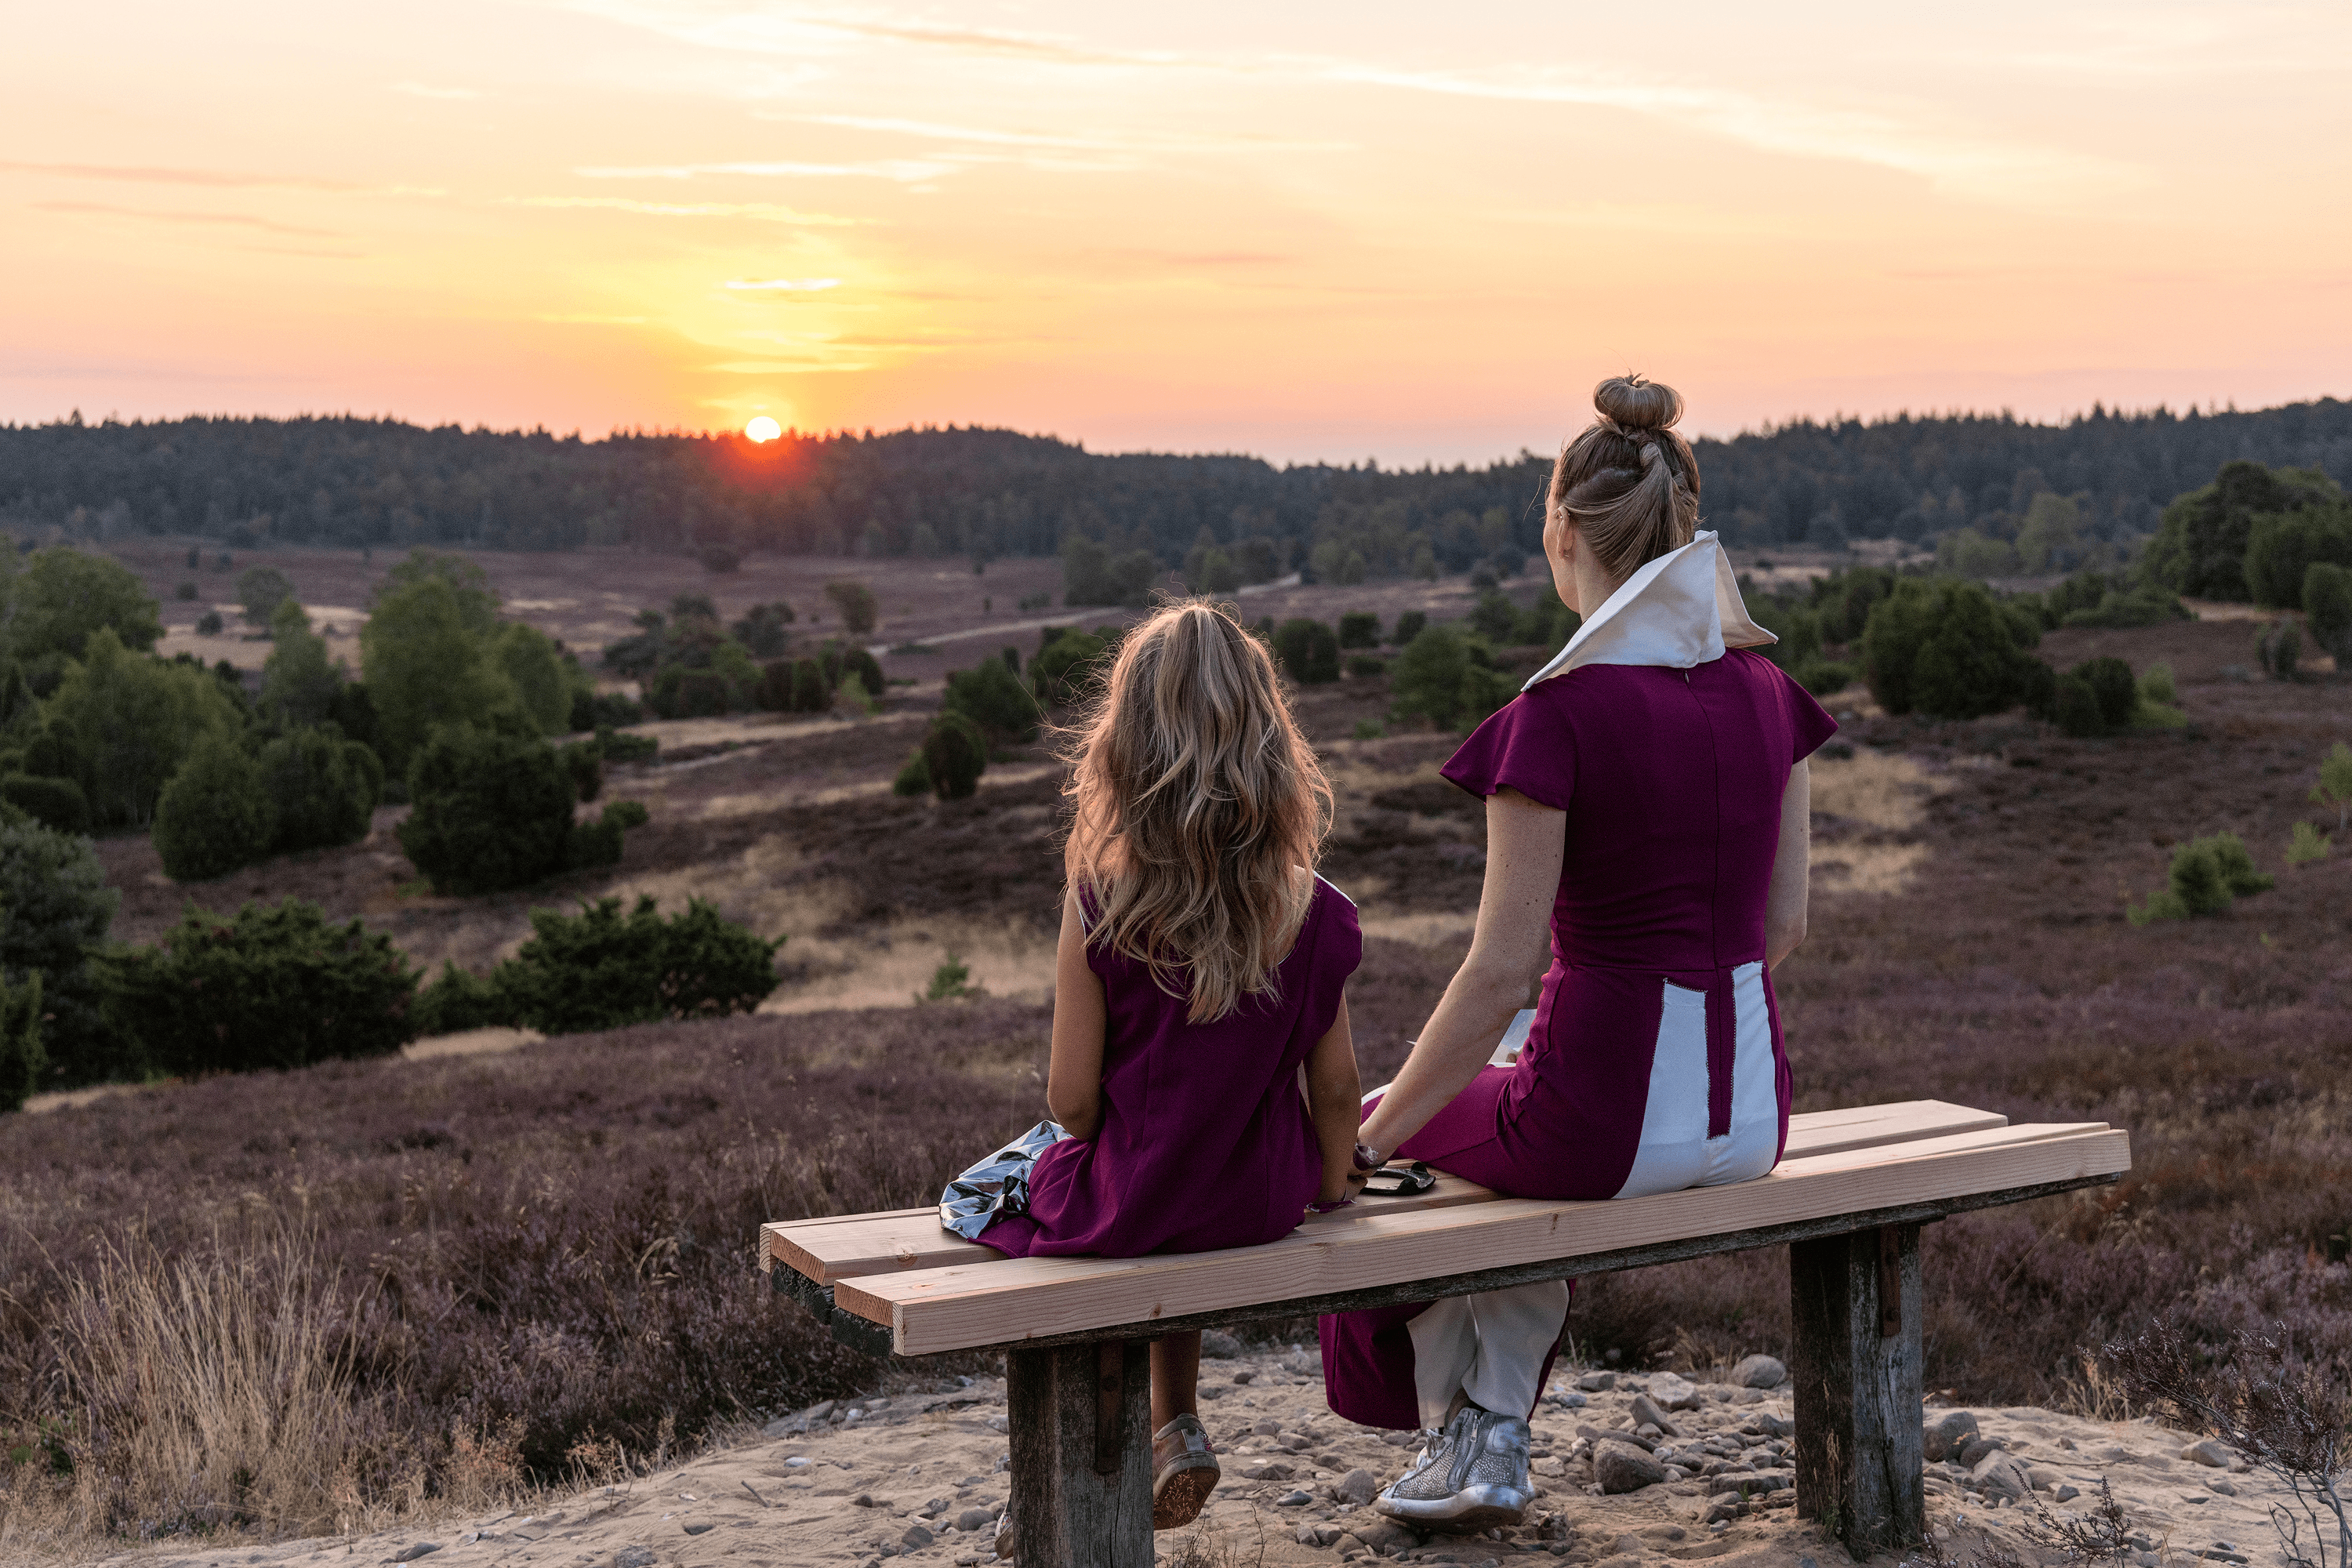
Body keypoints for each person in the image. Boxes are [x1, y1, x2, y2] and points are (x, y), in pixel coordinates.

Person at [1318, 375, 1836, 1533]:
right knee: (1495, 1094)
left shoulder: (1555, 717)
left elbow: (1501, 972)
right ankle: (1488, 1433)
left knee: (1415, 1130)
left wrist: (1361, 1140)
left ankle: (1482, 1433)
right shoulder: (1770, 692)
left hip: (1602, 1125)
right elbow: (1782, 930)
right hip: (1750, 1119)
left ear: (1562, 531)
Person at [944, 601, 1367, 1532]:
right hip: (1257, 1200)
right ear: (1267, 737)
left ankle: (1062, 1482)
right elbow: (1336, 1089)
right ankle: (1177, 1417)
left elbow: (1074, 1104)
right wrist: (1334, 1185)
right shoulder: (1314, 908)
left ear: (1126, 744)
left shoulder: (1102, 896)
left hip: (1134, 1201)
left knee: (1013, 1192)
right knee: (1187, 1186)